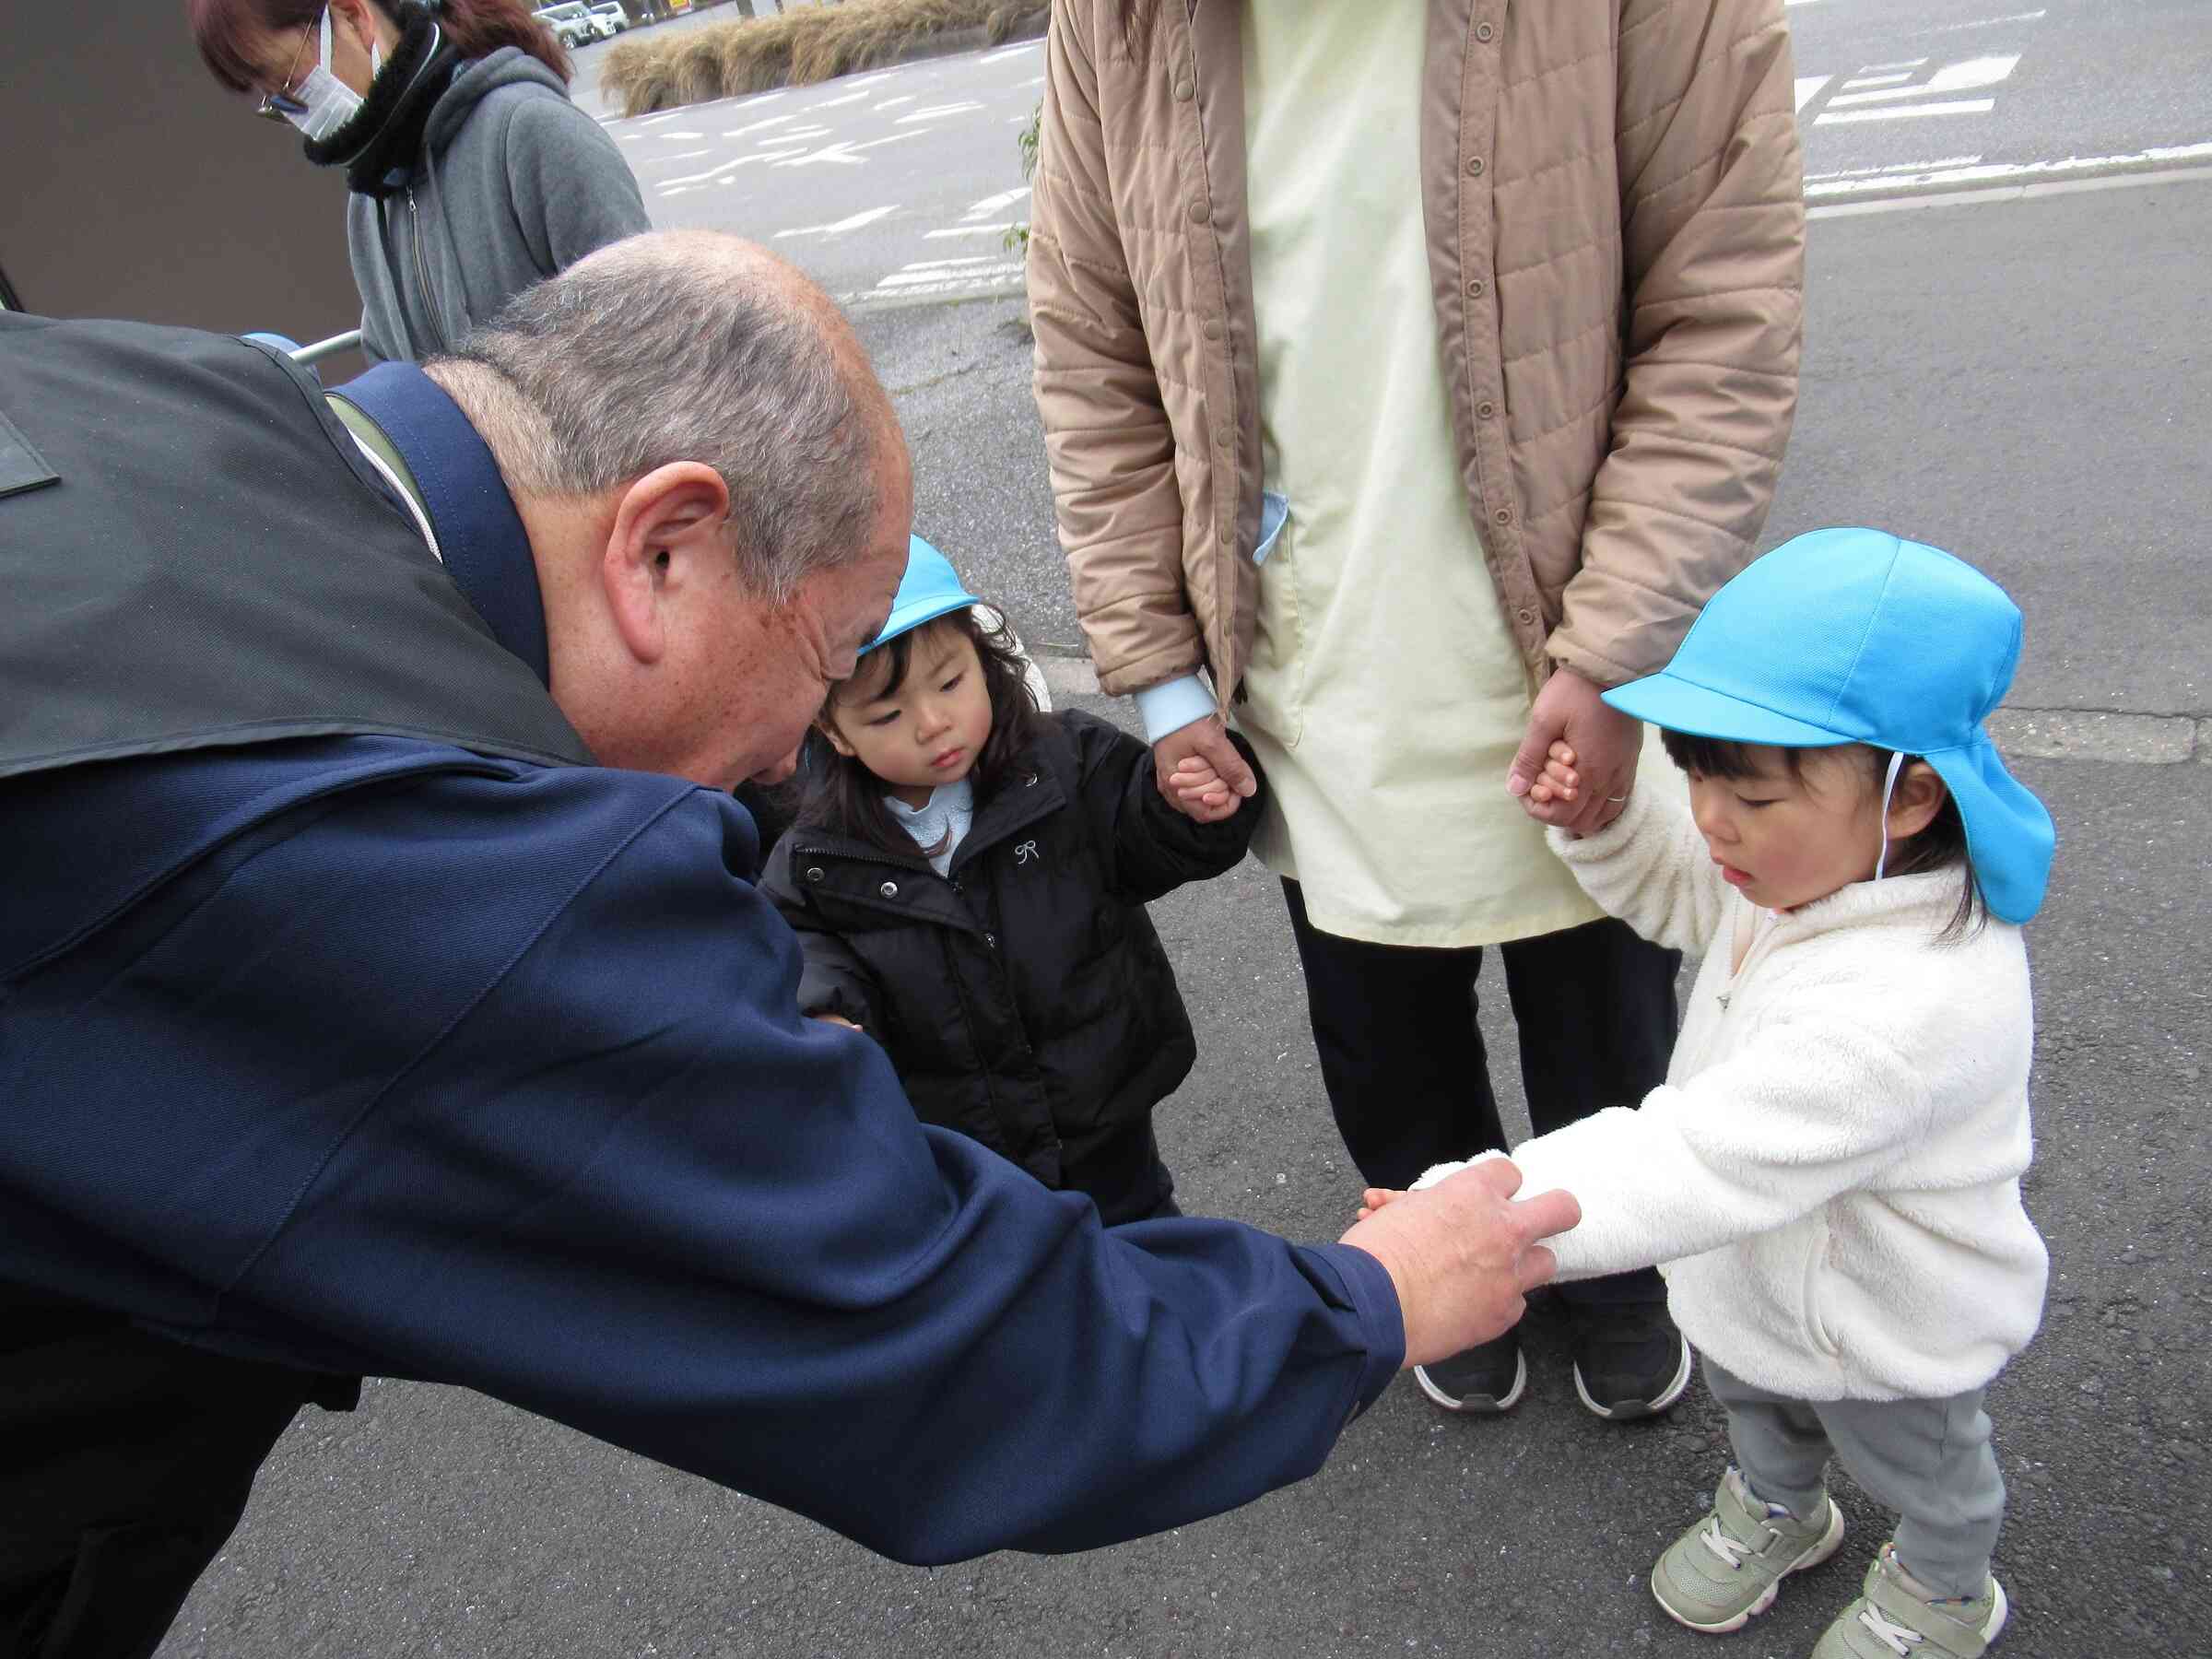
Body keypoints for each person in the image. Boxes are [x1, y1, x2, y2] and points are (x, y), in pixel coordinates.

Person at [0, 230, 1578, 1658]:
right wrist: (1366, 1300)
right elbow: (948, 1344)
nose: (782, 761)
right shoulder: (440, 873)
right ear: (664, 547)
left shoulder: (145, 390)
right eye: (826, 661)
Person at [1027, 1, 1806, 1418]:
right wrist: (1157, 668)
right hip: (1305, 651)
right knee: (1382, 1026)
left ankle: (1620, 1272)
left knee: (1606, 1015)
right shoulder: (1121, 16)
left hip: (1564, 636)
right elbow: (1096, 349)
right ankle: (1437, 1271)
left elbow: (1720, 307)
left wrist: (1619, 645)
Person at [1371, 528, 2055, 1659]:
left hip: (1888, 1324)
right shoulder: (1813, 870)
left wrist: (1473, 1202)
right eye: (1693, 776)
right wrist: (1604, 820)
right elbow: (1691, 893)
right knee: (1761, 1403)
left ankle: (1945, 1581)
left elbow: (1690, 1156)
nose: (1711, 821)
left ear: (1912, 796)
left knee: (1922, 1463)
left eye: (1751, 795)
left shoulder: (1907, 1008)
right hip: (1758, 1273)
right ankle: (1785, 1510)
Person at [761, 537, 1263, 1227]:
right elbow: (801, 950)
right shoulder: (819, 856)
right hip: (962, 1159)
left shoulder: (1060, 763)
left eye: (950, 682)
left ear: (982, 655)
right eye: (886, 714)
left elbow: (1142, 834)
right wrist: (824, 1012)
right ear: (834, 730)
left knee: (1155, 1267)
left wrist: (1185, 807)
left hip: (1105, 1121)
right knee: (1018, 1305)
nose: (933, 722)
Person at [189, 0, 649, 362]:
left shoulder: (531, 132)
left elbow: (649, 345)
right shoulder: (371, 201)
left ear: (352, 17)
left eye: (289, 84)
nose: (295, 113)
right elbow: (389, 364)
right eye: (275, 103)